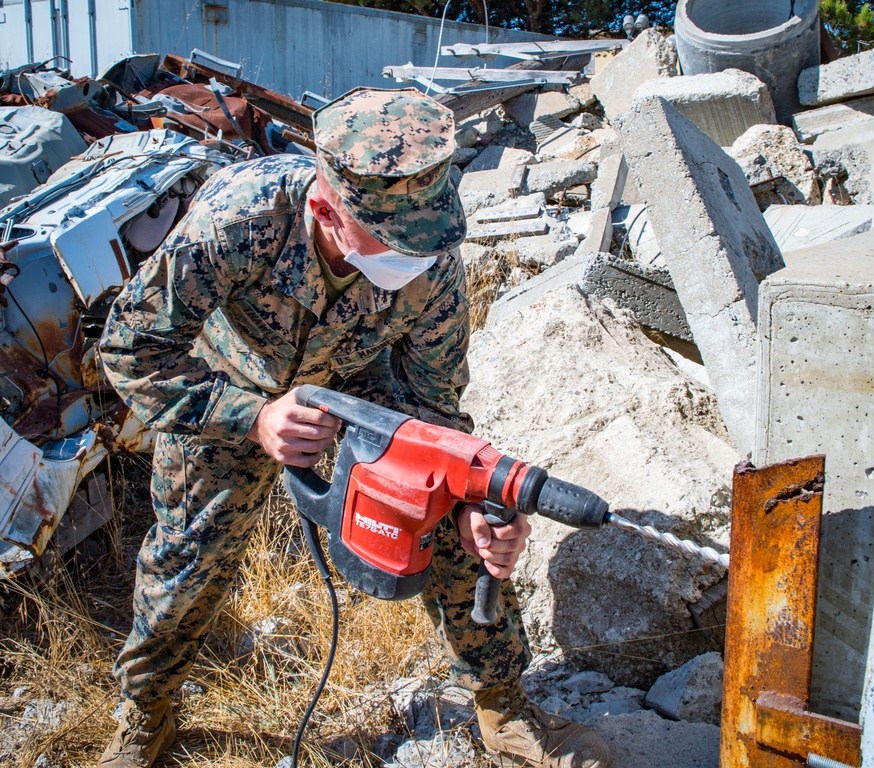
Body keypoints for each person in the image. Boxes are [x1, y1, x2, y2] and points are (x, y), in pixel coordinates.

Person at [97, 87, 612, 768]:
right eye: (392, 241)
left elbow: (434, 406)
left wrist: (466, 502)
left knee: (459, 514)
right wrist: (251, 418)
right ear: (327, 212)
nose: (413, 258)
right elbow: (129, 349)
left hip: (356, 389)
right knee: (188, 560)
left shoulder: (433, 262)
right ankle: (146, 711)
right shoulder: (239, 217)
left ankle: (504, 704)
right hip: (226, 390)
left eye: (423, 238)